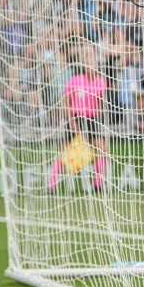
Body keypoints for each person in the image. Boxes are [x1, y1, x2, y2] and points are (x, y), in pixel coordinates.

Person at [49, 50, 110, 191]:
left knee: (102, 148)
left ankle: (97, 184)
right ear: (84, 65)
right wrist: (71, 120)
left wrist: (98, 112)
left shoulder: (101, 82)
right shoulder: (75, 80)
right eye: (88, 62)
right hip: (75, 117)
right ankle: (51, 185)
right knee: (64, 151)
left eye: (93, 62)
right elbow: (65, 101)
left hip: (91, 119)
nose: (91, 65)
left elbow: (99, 104)